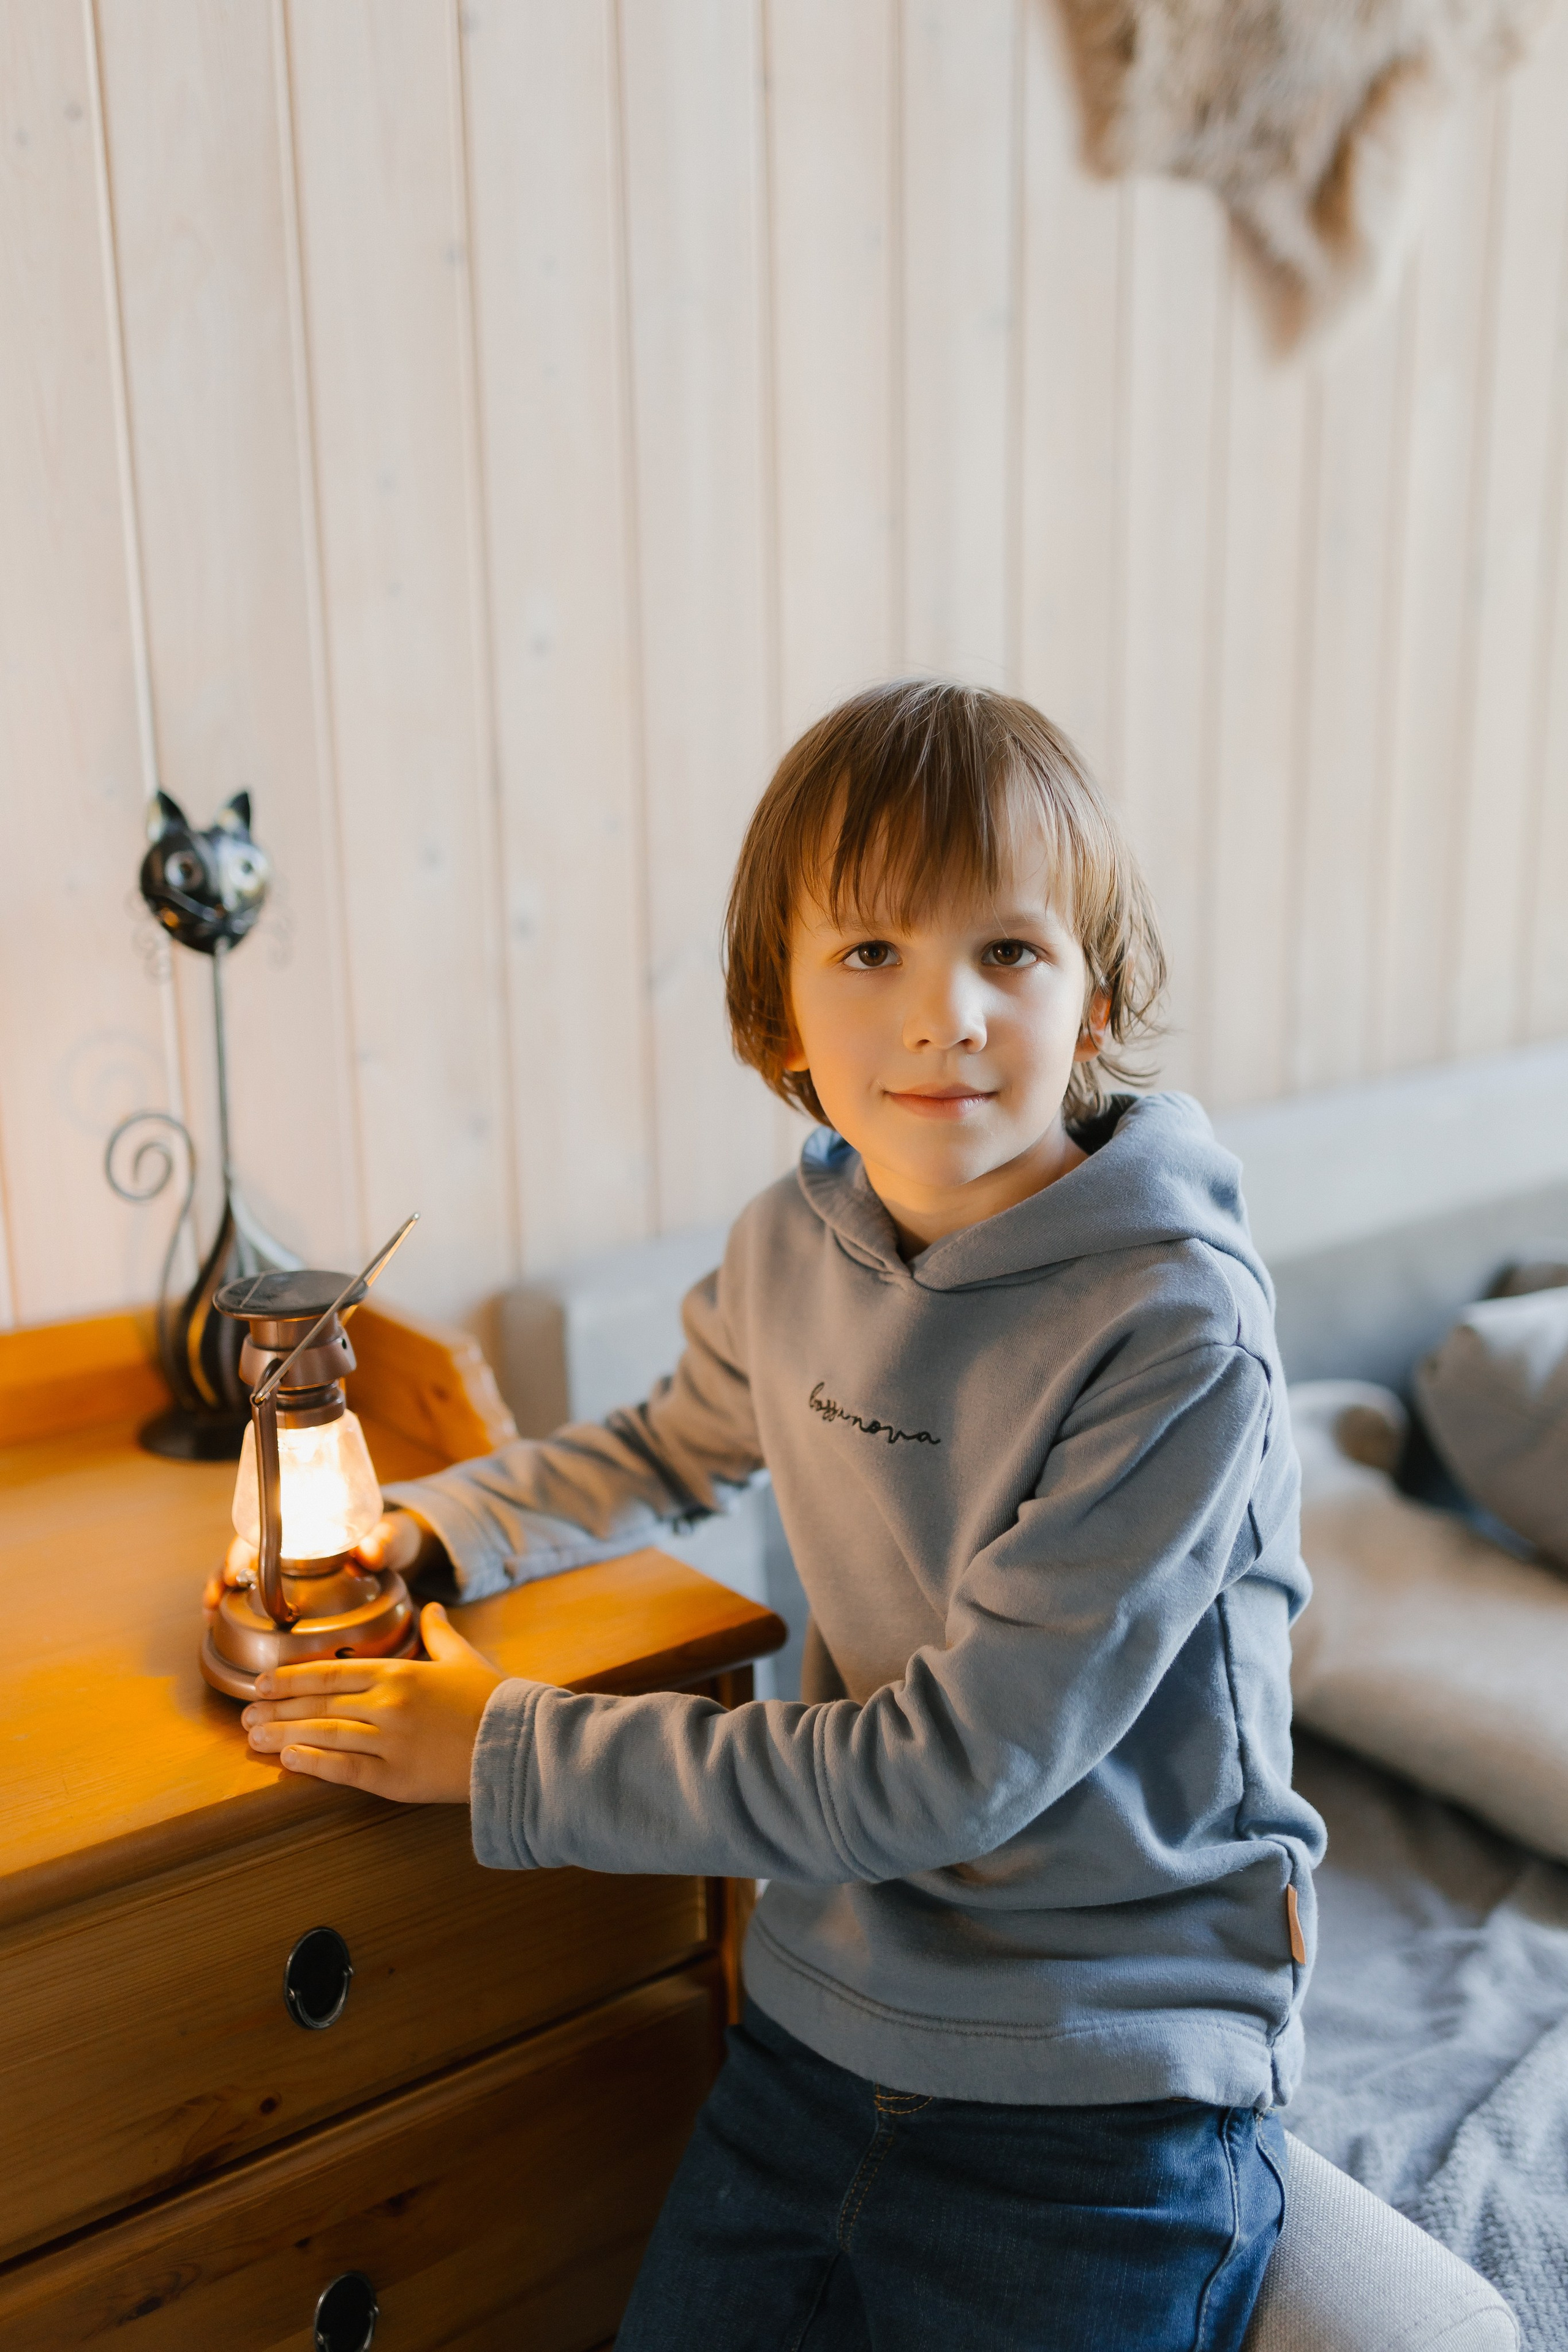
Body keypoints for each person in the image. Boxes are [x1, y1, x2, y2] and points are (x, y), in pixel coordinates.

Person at [230, 679, 1325, 2350]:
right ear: (781, 1023)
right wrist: (428, 1530)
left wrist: (503, 1749)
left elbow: (947, 1776)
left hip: (1107, 2086)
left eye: (1010, 954)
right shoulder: (790, 1242)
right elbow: (675, 1443)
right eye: (872, 953)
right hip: (819, 2033)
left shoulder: (1176, 1334)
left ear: (1093, 1002)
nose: (945, 1011)